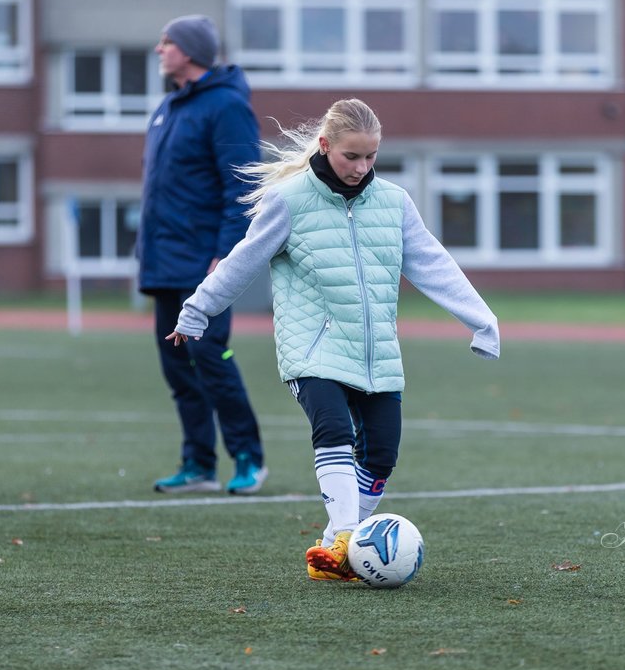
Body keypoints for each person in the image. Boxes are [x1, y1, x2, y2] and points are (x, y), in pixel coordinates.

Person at [166, 98, 499, 581]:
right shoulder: (289, 199)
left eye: (370, 157)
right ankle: (346, 537)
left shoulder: (394, 202)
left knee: (382, 452)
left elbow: (433, 262)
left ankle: (334, 549)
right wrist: (196, 311)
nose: (361, 168)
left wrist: (481, 320)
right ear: (325, 146)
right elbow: (243, 260)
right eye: (351, 157)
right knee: (336, 433)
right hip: (312, 349)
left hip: (376, 351)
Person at [137, 14, 266, 495]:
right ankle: (199, 464)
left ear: (189, 52)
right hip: (163, 261)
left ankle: (249, 458)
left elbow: (243, 189)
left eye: (166, 42)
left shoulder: (227, 106)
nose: (159, 50)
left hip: (203, 263)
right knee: (177, 366)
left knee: (210, 356)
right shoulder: (168, 106)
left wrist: (224, 256)